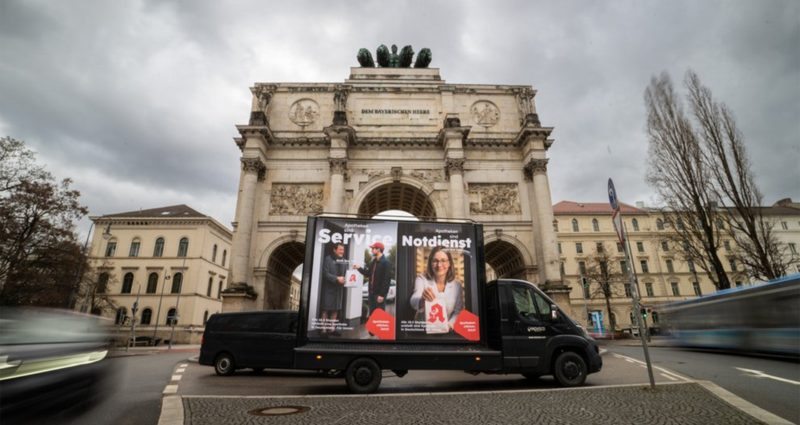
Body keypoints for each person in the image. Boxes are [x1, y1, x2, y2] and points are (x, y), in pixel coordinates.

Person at [410, 246, 464, 330]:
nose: (439, 265)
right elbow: (413, 301)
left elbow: (458, 312)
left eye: (443, 260)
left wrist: (448, 326)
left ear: (449, 263)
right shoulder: (421, 279)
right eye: (435, 261)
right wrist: (422, 299)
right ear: (430, 263)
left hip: (446, 332)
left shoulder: (457, 285)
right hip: (422, 331)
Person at [352, 242, 392, 316]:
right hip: (371, 293)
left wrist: (382, 295)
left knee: (380, 315)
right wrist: (359, 268)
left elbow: (386, 280)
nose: (371, 250)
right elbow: (368, 273)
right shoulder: (374, 261)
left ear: (379, 249)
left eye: (373, 249)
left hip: (379, 294)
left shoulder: (386, 263)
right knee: (372, 315)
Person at [320, 243, 347, 335]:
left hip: (339, 289)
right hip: (328, 288)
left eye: (343, 250)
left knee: (336, 309)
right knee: (325, 309)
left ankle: (332, 329)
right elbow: (324, 273)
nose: (342, 252)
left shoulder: (343, 261)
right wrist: (336, 278)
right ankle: (323, 330)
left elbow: (346, 274)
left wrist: (347, 278)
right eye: (340, 249)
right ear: (334, 250)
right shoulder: (328, 259)